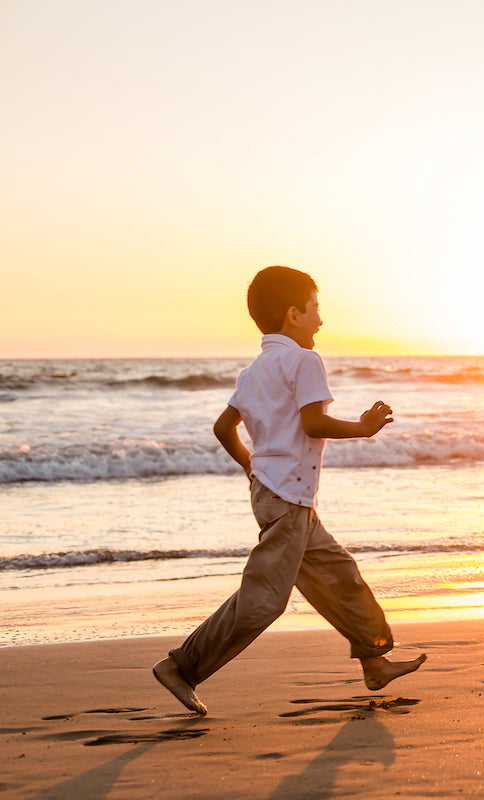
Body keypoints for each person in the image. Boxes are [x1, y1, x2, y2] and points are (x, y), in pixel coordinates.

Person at [153, 266, 426, 715]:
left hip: (277, 494)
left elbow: (224, 428)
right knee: (263, 601)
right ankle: (181, 667)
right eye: (316, 309)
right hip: (287, 498)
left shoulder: (254, 369)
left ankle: (374, 661)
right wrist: (364, 427)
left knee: (340, 575)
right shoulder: (304, 361)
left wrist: (250, 464)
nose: (321, 319)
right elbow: (313, 423)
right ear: (293, 314)